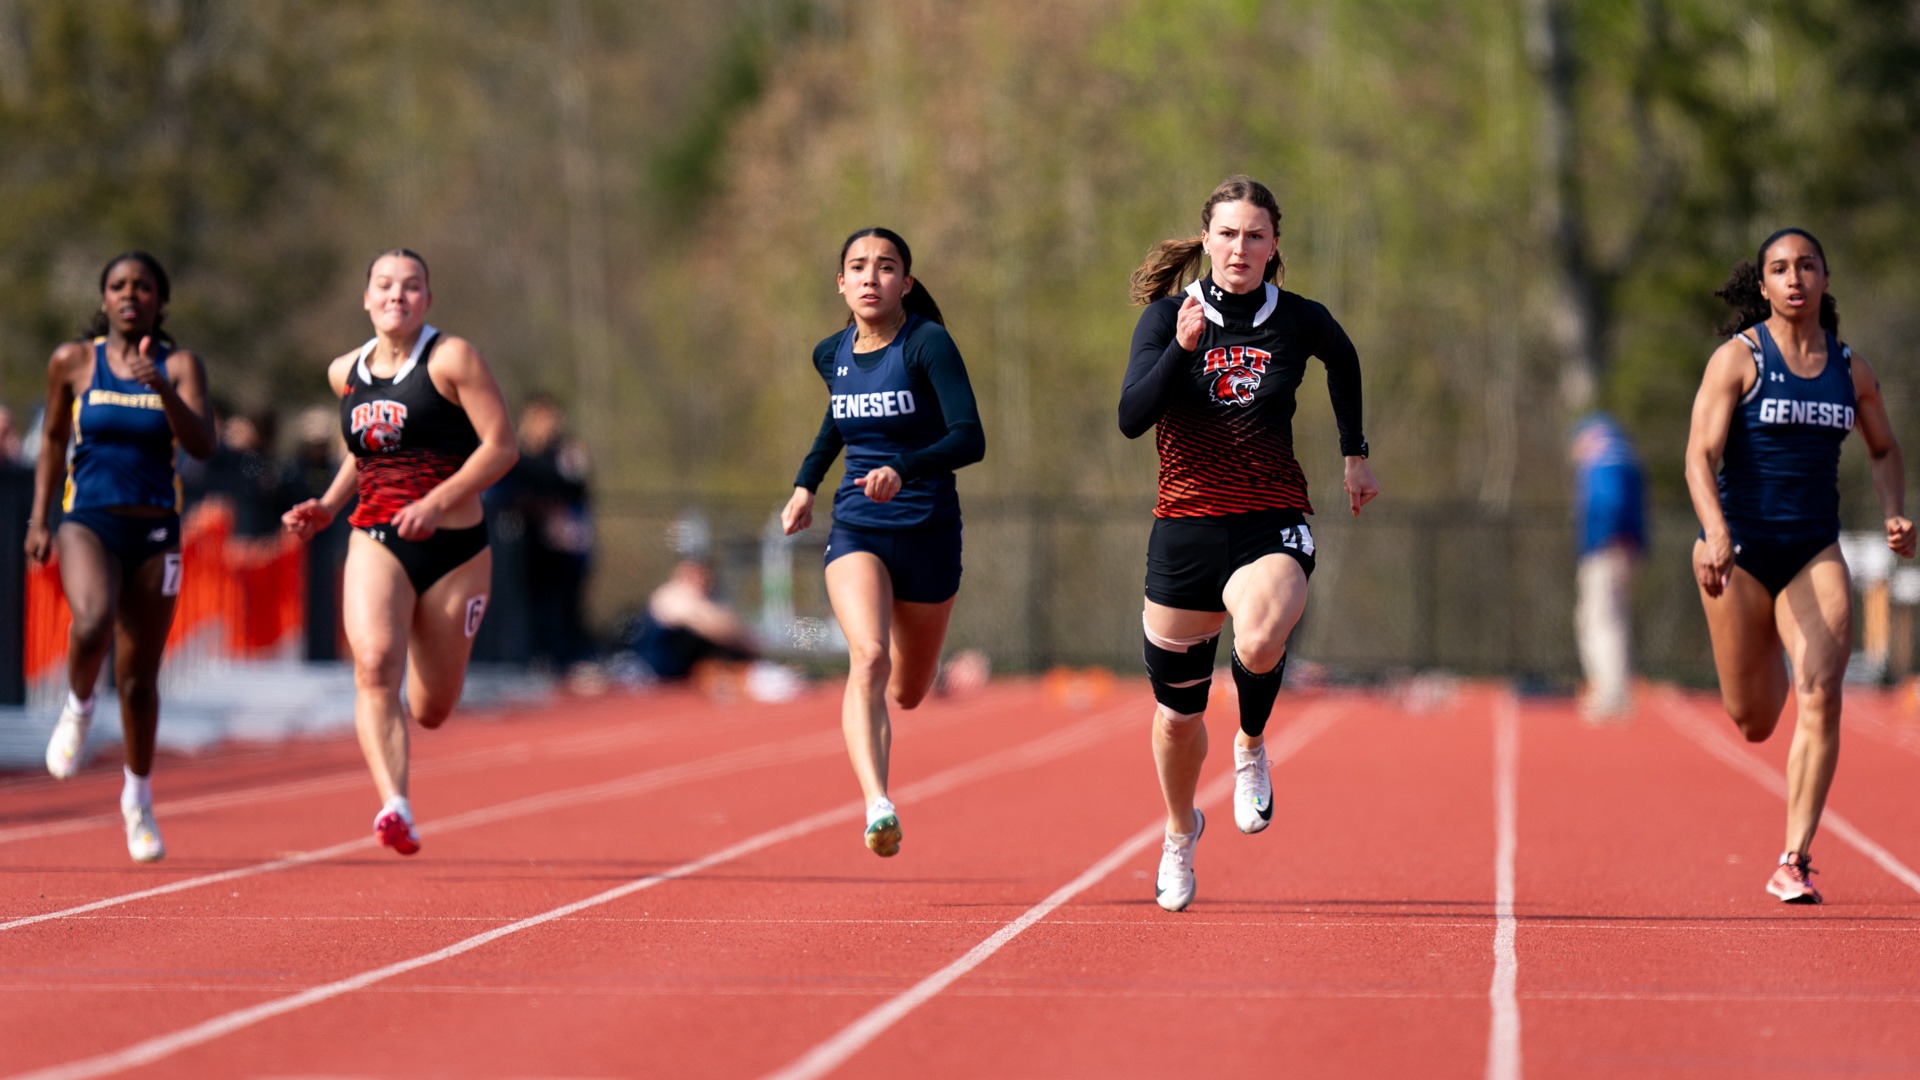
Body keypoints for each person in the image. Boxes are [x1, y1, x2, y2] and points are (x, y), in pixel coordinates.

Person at [1120, 176, 1376, 912]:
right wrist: (1179, 350)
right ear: (1206, 240)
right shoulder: (1168, 317)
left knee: (1261, 639)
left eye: (1254, 235)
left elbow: (1346, 357)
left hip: (1270, 517)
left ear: (1273, 247)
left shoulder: (1296, 319)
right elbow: (1132, 419)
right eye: (1227, 234)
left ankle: (1252, 747)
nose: (1240, 248)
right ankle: (1178, 832)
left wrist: (1354, 452)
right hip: (1185, 529)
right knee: (1176, 719)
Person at [1685, 228, 1912, 904]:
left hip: (1814, 549)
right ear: (1762, 285)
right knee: (1753, 719)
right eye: (1780, 269)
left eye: (1806, 266)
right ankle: (1776, 651)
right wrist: (1717, 533)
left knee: (1822, 691)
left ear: (1825, 278)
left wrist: (1894, 509)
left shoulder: (1852, 369)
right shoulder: (1738, 359)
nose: (1794, 279)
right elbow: (1699, 456)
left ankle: (1795, 857)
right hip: (1739, 553)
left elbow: (1884, 446)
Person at [282, 249, 518, 856]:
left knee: (432, 708)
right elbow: (363, 454)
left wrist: (437, 504)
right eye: (384, 285)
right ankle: (395, 804)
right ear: (366, 298)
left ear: (427, 301)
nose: (397, 296)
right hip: (376, 537)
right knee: (374, 663)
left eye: (411, 287)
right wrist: (330, 507)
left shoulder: (452, 359)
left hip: (454, 549)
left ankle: (421, 682)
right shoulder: (344, 372)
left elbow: (500, 448)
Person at [780, 227, 986, 857]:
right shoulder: (830, 353)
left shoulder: (928, 345)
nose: (871, 277)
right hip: (857, 528)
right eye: (858, 267)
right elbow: (837, 421)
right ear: (841, 283)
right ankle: (877, 803)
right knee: (868, 657)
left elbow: (969, 437)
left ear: (907, 283)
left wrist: (908, 468)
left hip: (927, 533)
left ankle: (888, 750)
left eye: (887, 266)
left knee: (908, 690)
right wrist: (805, 484)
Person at [27, 251, 215, 862]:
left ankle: (138, 801)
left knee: (138, 681)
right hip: (89, 521)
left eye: (142, 287)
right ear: (103, 297)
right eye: (118, 286)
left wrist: (162, 388)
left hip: (156, 529)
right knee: (91, 619)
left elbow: (203, 444)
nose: (129, 295)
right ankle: (79, 707)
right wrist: (38, 518)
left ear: (161, 301)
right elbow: (54, 438)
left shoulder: (180, 365)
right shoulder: (72, 363)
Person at [1570, 414, 1647, 721]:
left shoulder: (1603, 460)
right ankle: (1614, 690)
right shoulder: (1626, 457)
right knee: (1612, 619)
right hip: (1626, 548)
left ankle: (1610, 694)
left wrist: (1602, 536)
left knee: (1599, 620)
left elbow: (1607, 502)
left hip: (1606, 548)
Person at [626, 558, 758, 681]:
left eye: (703, 577)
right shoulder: (671, 596)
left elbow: (725, 623)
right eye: (693, 576)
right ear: (680, 576)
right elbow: (716, 628)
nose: (700, 581)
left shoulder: (704, 603)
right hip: (652, 671)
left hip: (680, 674)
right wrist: (750, 645)